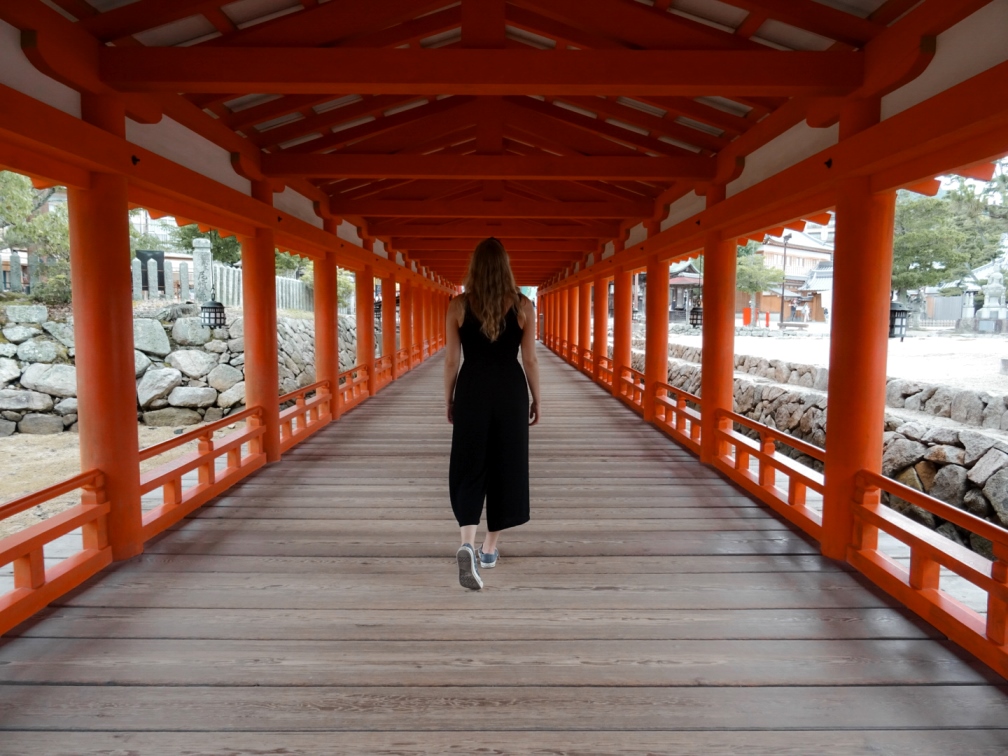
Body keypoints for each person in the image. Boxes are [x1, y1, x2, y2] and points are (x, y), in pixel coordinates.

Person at [444, 238, 540, 591]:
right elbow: (529, 359)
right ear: (505, 267)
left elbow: (451, 360)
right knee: (506, 466)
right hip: (510, 391)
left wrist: (449, 398)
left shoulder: (458, 306)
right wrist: (537, 398)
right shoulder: (523, 306)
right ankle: (488, 550)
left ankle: (466, 542)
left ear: (474, 267)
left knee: (469, 464)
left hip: (471, 389)